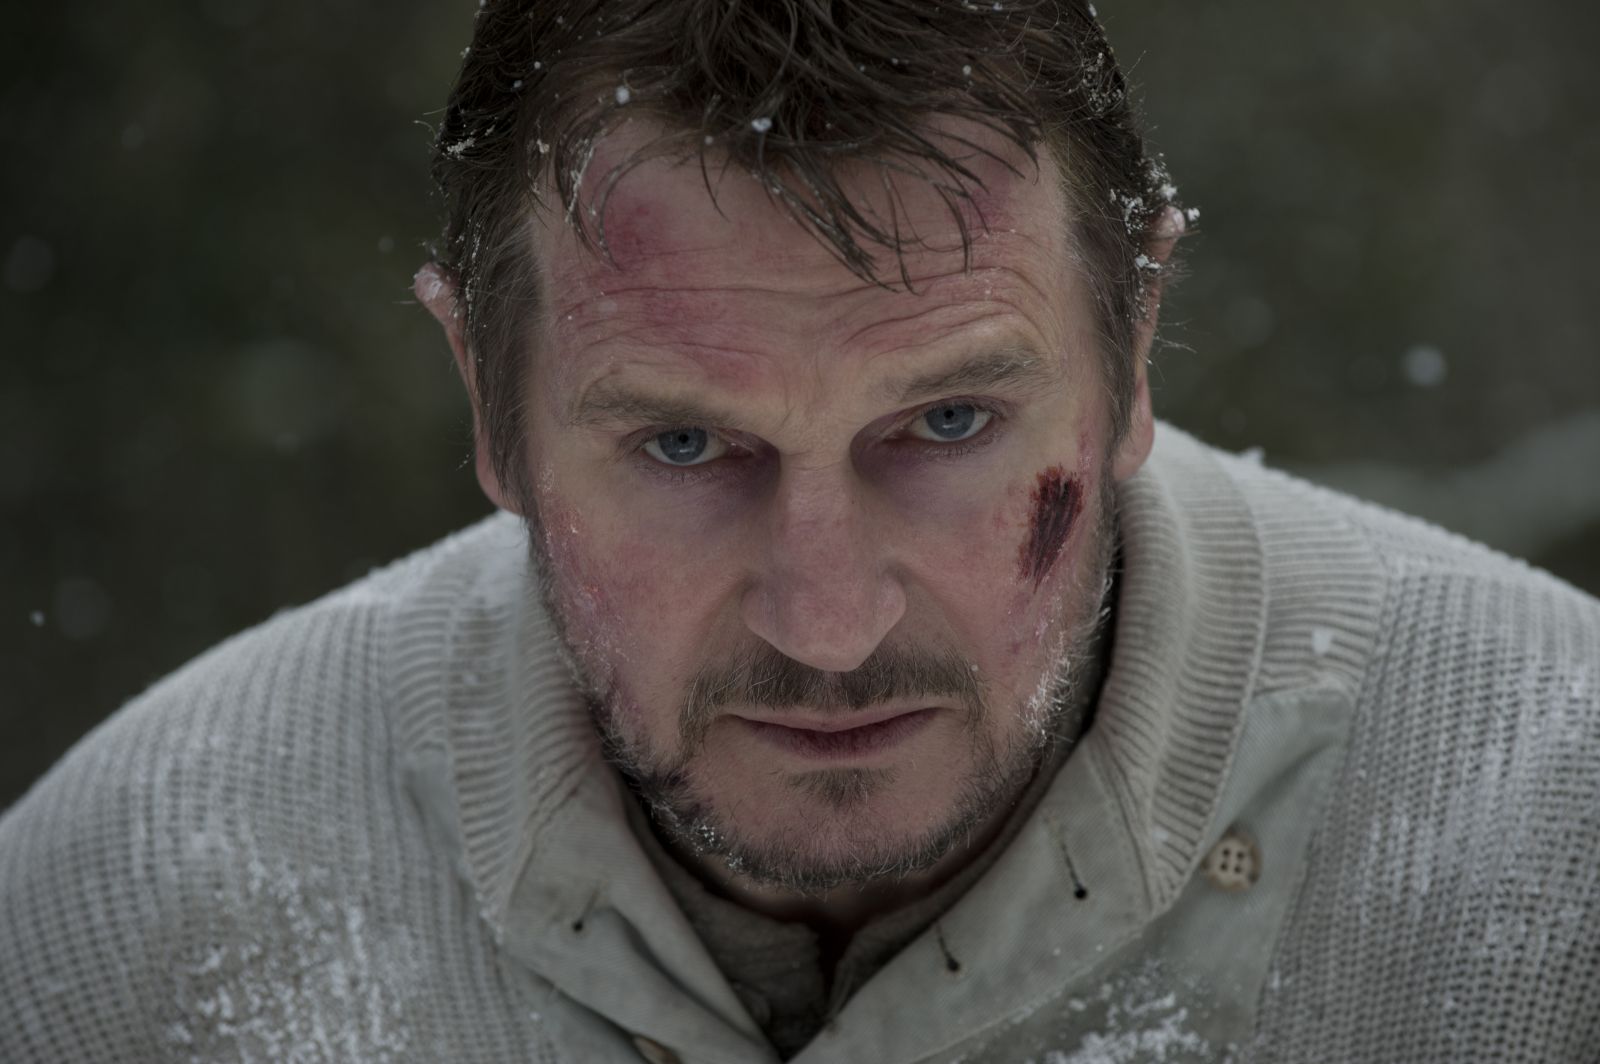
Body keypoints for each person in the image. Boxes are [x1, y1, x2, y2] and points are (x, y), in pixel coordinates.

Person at [3, 0, 1597, 1060]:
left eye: (947, 424)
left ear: (1134, 354)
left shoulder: (1560, 847)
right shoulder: (116, 920)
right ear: (487, 399)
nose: (826, 622)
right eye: (685, 444)